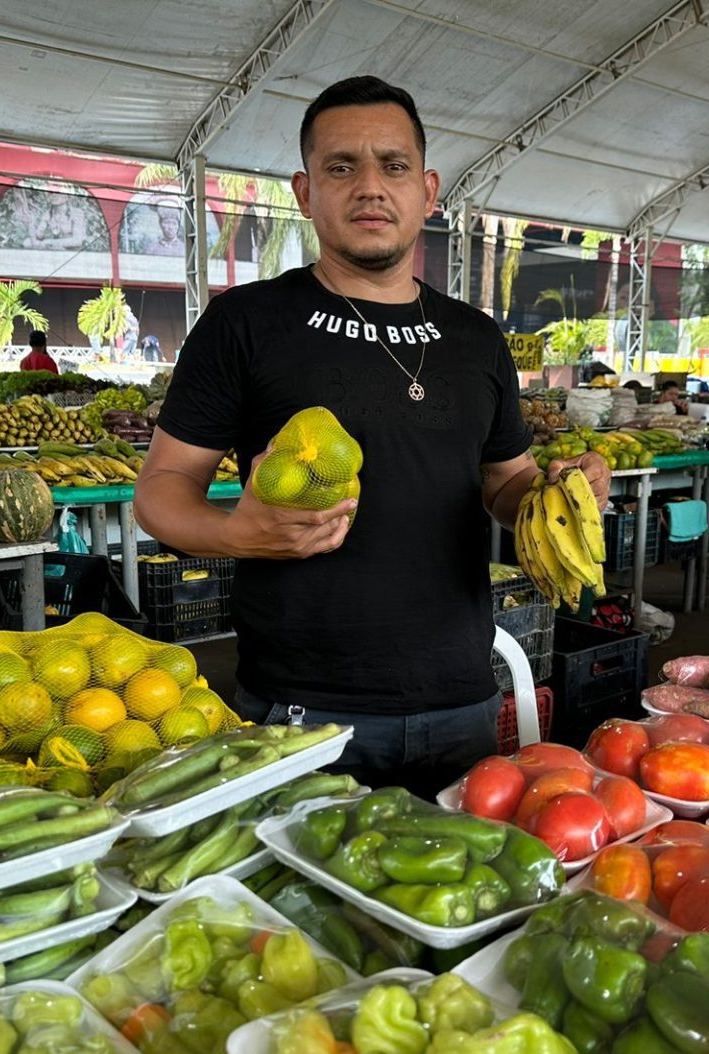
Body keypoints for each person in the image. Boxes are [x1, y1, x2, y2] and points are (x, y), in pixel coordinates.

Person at [134, 75, 611, 793]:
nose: (369, 187)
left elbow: (504, 482)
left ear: (427, 189)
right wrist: (241, 534)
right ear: (304, 192)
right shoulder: (246, 325)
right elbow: (161, 491)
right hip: (303, 714)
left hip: (462, 700)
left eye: (391, 166)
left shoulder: (476, 339)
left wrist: (561, 495)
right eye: (340, 167)